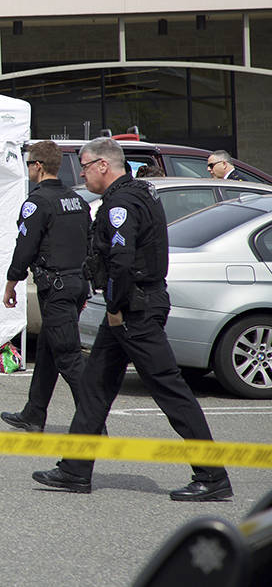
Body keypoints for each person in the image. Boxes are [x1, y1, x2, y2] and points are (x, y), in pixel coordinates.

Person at [32, 137, 232, 500]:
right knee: (95, 388)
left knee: (170, 390)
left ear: (102, 166)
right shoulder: (141, 192)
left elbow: (122, 262)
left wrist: (114, 308)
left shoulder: (121, 203)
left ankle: (212, 476)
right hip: (134, 306)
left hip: (133, 311)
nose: (82, 173)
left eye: (85, 165)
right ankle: (75, 470)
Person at [0, 140, 90, 433]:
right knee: (50, 352)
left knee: (68, 357)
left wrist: (11, 283)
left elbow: (25, 247)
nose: (27, 169)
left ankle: (93, 422)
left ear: (37, 166)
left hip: (57, 287)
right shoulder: (78, 201)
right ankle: (33, 414)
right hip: (76, 285)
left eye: (28, 164)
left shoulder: (37, 202)